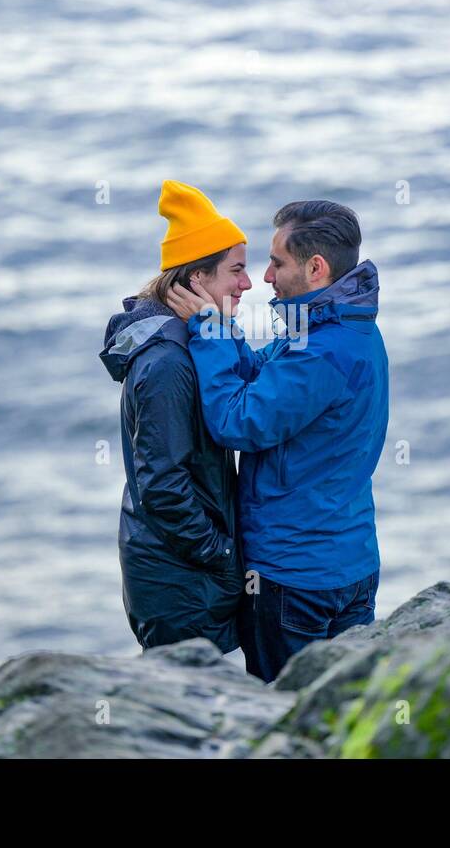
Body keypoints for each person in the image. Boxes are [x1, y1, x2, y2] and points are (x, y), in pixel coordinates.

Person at [166, 200, 388, 682]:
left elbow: (237, 420)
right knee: (341, 710)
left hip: (296, 578)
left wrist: (207, 332)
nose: (264, 277)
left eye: (277, 262)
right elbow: (264, 377)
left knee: (284, 718)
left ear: (315, 267)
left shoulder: (322, 352)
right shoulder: (343, 327)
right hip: (348, 564)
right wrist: (220, 329)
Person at [99, 180, 253, 652]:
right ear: (196, 279)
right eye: (237, 271)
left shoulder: (189, 343)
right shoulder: (167, 362)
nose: (248, 284)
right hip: (181, 581)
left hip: (181, 571)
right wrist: (221, 554)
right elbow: (162, 484)